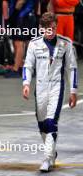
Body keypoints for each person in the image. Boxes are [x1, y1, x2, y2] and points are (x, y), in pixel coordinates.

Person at [23, 12, 78, 172]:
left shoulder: (66, 44)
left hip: (56, 87)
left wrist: (73, 91)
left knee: (50, 122)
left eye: (54, 28)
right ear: (41, 29)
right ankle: (52, 152)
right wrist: (26, 84)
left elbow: (72, 68)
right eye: (48, 29)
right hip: (40, 88)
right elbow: (27, 66)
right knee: (42, 125)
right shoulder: (33, 44)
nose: (51, 31)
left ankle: (47, 158)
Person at [3, 0, 38, 78]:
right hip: (28, 16)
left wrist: (14, 15)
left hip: (22, 17)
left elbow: (20, 2)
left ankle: (16, 69)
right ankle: (25, 67)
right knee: (27, 43)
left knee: (19, 43)